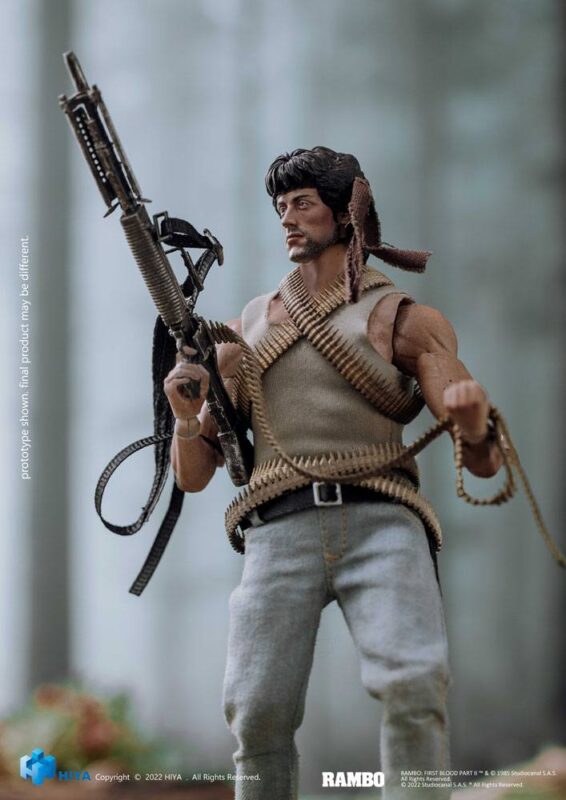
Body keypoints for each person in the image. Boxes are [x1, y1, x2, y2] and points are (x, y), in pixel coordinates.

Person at [164, 147, 504, 800]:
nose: (287, 219)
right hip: (278, 528)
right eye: (280, 207)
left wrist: (472, 423)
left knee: (414, 682)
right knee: (256, 708)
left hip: (383, 522)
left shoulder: (405, 320)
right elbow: (194, 475)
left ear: (347, 212)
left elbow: (483, 461)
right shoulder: (244, 329)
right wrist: (185, 416)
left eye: (302, 204)